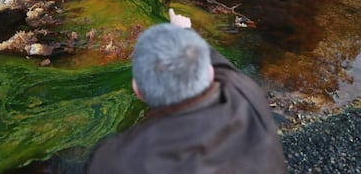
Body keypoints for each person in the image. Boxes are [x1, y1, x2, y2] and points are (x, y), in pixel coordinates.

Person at [88, 9, 287, 173]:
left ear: (137, 90)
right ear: (209, 73)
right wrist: (185, 34)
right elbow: (221, 69)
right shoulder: (246, 94)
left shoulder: (117, 160)